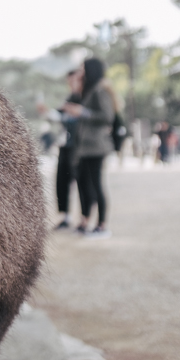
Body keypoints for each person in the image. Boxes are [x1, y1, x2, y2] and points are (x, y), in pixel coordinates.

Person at [60, 58, 117, 239]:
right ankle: (90, 223)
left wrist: (82, 112)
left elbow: (107, 116)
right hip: (86, 147)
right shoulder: (90, 89)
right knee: (88, 186)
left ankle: (102, 226)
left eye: (83, 68)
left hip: (96, 147)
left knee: (97, 186)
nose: (81, 71)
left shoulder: (100, 90)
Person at [39, 69, 82, 230]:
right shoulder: (69, 98)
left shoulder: (84, 98)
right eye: (70, 81)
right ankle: (64, 216)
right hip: (65, 145)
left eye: (75, 81)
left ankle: (84, 219)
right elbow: (57, 116)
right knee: (61, 181)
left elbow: (72, 119)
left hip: (77, 147)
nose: (72, 84)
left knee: (80, 183)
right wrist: (46, 112)